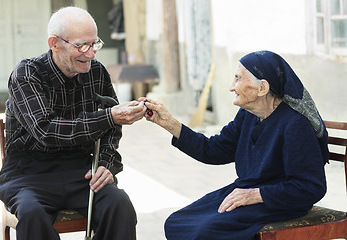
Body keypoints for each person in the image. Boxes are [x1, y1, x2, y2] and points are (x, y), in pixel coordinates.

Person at [141, 50, 329, 240]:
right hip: (246, 192)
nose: (232, 87)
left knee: (204, 232)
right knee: (177, 222)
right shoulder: (247, 115)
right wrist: (168, 123)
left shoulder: (295, 124)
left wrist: (256, 194)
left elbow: (310, 187)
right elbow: (213, 150)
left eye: (238, 79)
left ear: (262, 88)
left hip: (278, 202)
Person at [0, 6, 146, 240]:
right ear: (54, 43)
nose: (91, 54)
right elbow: (46, 130)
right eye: (81, 45)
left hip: (81, 170)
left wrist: (105, 163)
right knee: (31, 213)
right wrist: (109, 116)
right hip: (29, 175)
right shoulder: (27, 73)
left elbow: (111, 130)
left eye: (94, 43)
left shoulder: (96, 72)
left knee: (119, 204)